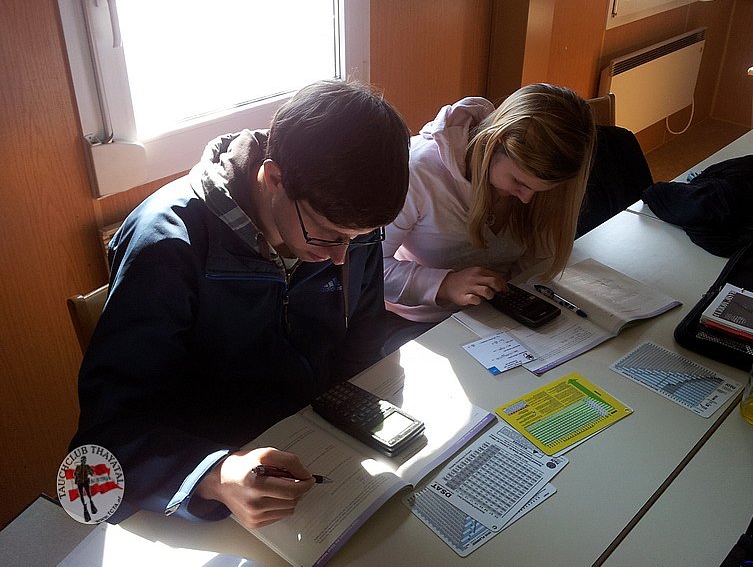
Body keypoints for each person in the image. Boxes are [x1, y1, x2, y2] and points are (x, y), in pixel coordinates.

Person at [70, 79, 410, 528]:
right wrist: (214, 475)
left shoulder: (342, 223)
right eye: (329, 234)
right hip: (213, 486)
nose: (341, 257)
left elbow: (362, 341)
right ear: (274, 178)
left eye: (359, 237)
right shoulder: (166, 249)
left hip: (318, 456)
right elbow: (103, 444)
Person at [382, 83, 596, 352]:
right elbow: (368, 270)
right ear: (494, 141)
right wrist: (445, 284)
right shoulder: (419, 172)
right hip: (417, 321)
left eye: (541, 190)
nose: (526, 199)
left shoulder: (539, 189)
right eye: (518, 182)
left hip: (494, 314)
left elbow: (536, 265)